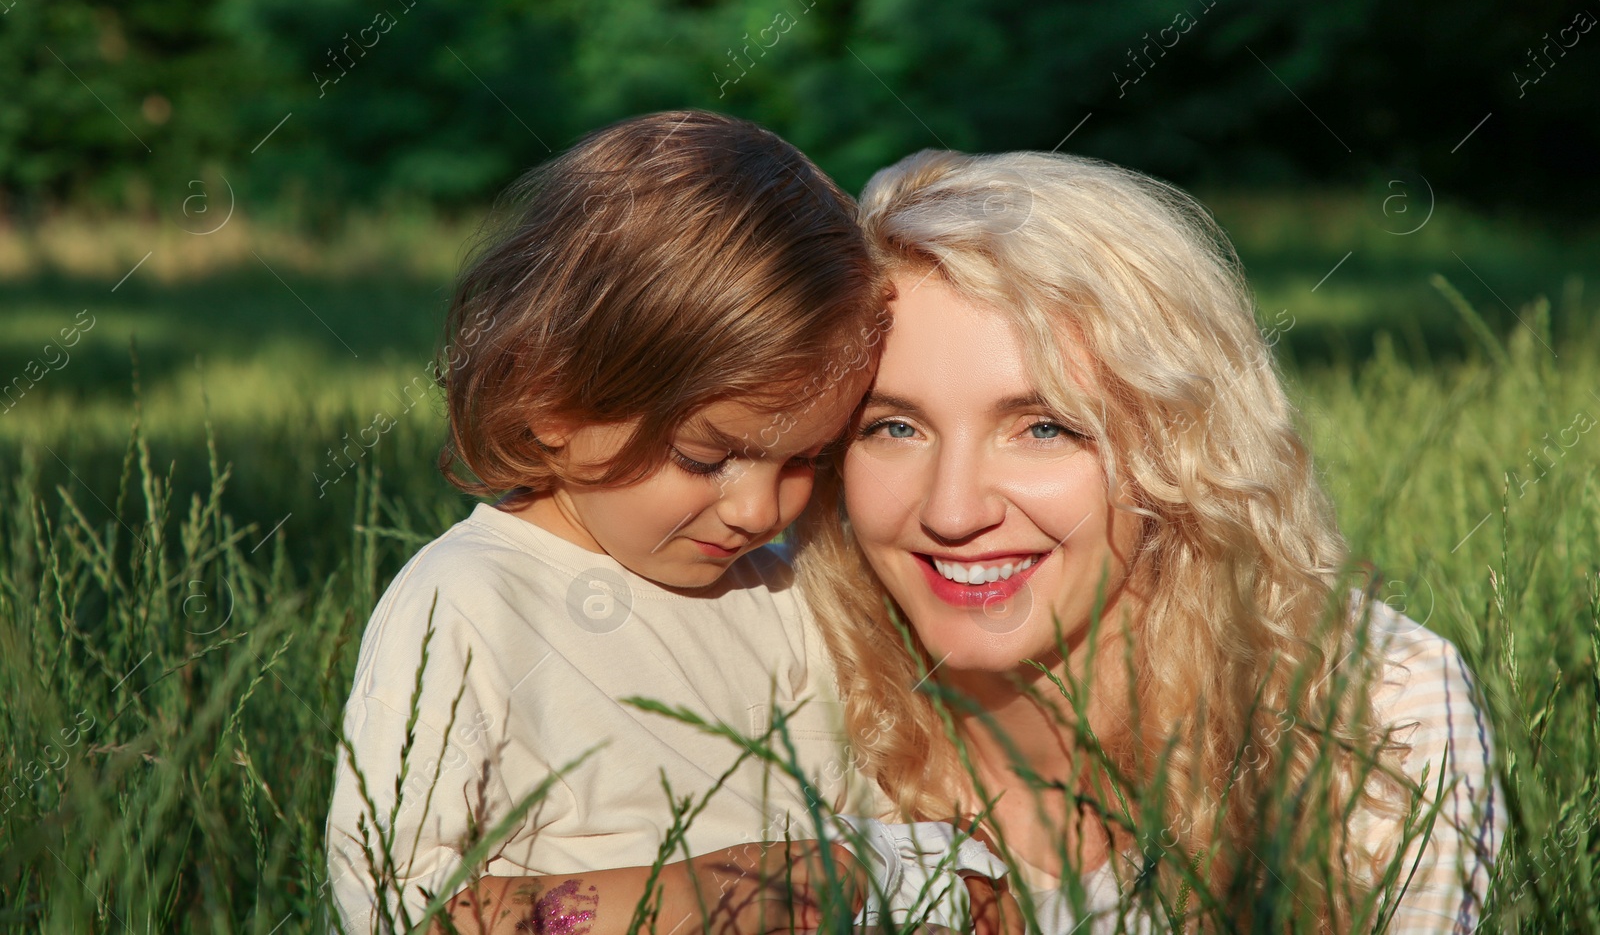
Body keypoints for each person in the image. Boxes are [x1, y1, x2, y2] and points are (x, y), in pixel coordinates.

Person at [797, 149, 1503, 933]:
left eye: (1043, 427)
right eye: (894, 426)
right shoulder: (788, 689)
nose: (953, 510)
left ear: (1178, 446)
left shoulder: (1376, 706)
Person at [325, 110, 902, 935]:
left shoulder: (787, 595)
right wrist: (719, 891)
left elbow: (874, 839)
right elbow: (396, 904)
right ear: (551, 397)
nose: (757, 509)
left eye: (804, 460)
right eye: (709, 457)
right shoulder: (470, 603)